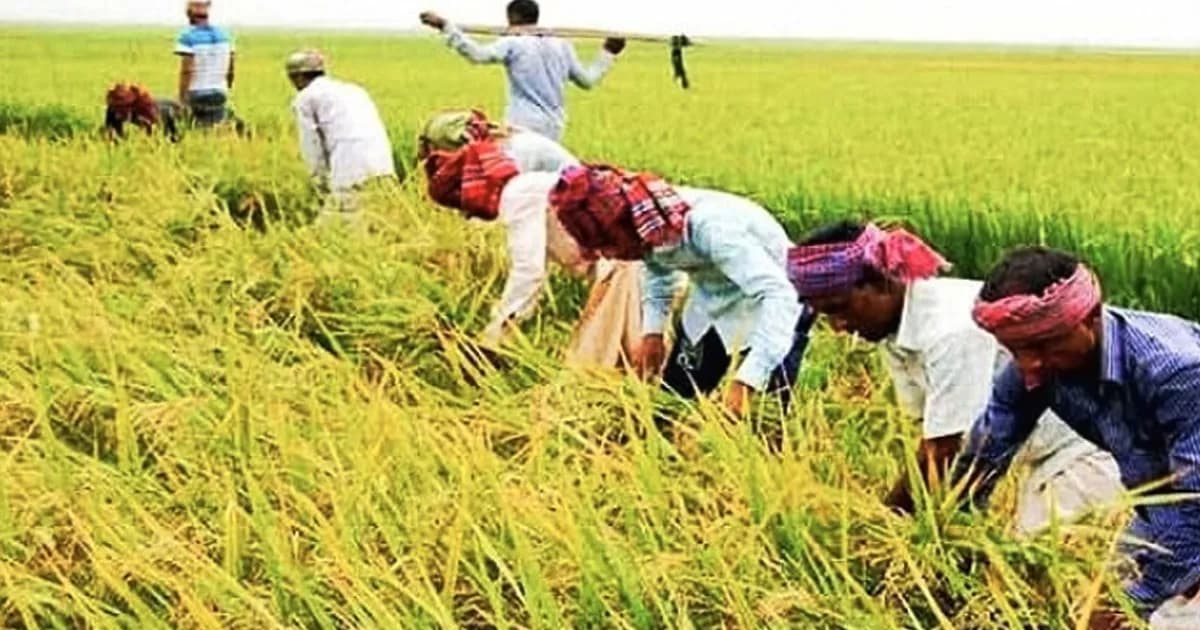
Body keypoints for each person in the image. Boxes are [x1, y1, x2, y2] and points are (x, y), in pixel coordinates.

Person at [787, 221, 1123, 534]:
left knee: (1040, 570)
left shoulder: (950, 330)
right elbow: (933, 433)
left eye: (840, 308)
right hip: (1045, 458)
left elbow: (945, 449)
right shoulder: (892, 333)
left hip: (1091, 449)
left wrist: (885, 525)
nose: (838, 326)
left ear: (881, 281)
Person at [950, 246, 1200, 630]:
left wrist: (1128, 605)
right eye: (1015, 350)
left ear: (1088, 318)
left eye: (1040, 346)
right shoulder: (1036, 368)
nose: (1028, 363)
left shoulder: (1175, 369)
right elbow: (986, 452)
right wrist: (950, 533)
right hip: (1156, 514)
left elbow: (1194, 508)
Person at [549, 164, 815, 418]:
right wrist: (652, 332)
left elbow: (780, 295)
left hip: (772, 307)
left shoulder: (712, 229)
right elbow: (656, 266)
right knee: (675, 401)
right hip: (710, 302)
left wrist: (748, 381)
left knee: (762, 416)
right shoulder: (651, 223)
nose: (608, 254)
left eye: (609, 246)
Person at [420, 110, 642, 366]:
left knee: (602, 365)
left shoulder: (519, 189)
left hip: (628, 261)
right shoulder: (525, 183)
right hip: (621, 254)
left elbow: (529, 270)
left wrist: (495, 333)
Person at [419, 1, 626, 141]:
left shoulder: (513, 43)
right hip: (554, 128)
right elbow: (587, 81)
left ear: (511, 18)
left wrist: (446, 27)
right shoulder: (562, 44)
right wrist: (608, 53)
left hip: (522, 126)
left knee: (519, 182)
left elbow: (478, 55)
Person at [286, 49, 397, 229]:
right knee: (378, 225)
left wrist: (321, 188)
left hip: (351, 174)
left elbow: (312, 151)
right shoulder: (355, 91)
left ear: (296, 78)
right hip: (384, 169)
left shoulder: (306, 98)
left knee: (330, 233)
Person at [175, 0, 235, 128]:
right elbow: (231, 69)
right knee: (217, 128)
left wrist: (182, 99)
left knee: (193, 130)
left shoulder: (188, 36)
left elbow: (187, 71)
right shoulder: (225, 35)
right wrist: (227, 86)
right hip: (220, 92)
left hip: (197, 93)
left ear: (189, 13)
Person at [104, 83, 182, 143]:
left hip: (173, 108)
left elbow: (157, 136)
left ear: (130, 107)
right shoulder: (114, 107)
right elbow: (111, 133)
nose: (117, 114)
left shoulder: (146, 110)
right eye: (114, 108)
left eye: (120, 110)